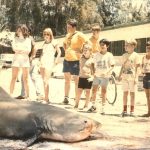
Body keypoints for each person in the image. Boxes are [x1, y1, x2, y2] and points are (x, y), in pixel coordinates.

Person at [62, 19, 88, 104]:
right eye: (67, 26)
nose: (67, 28)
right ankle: (66, 98)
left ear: (73, 27)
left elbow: (88, 43)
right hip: (66, 60)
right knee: (67, 80)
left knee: (76, 80)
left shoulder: (79, 34)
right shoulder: (67, 35)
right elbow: (64, 44)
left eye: (68, 27)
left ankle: (77, 99)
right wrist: (67, 51)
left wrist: (82, 52)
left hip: (76, 60)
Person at [88, 39, 115, 114]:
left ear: (107, 46)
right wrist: (93, 72)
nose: (101, 46)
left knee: (103, 91)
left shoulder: (109, 55)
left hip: (105, 77)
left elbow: (112, 66)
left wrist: (107, 72)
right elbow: (92, 64)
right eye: (100, 45)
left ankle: (103, 107)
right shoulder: (96, 55)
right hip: (97, 76)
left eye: (103, 45)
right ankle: (93, 106)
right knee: (94, 90)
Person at [16, 27, 43, 100]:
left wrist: (32, 57)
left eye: (20, 31)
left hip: (30, 61)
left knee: (24, 77)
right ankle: (39, 94)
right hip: (29, 60)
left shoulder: (29, 38)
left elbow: (35, 48)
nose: (18, 32)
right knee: (33, 77)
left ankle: (24, 94)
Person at [118, 39, 140, 117]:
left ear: (133, 46)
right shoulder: (124, 55)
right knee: (125, 93)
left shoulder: (136, 55)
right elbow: (122, 66)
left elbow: (138, 67)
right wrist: (119, 75)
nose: (125, 46)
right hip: (125, 77)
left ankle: (132, 111)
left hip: (132, 78)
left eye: (127, 45)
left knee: (132, 94)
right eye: (125, 45)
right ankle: (124, 110)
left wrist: (136, 77)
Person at [10, 24, 31, 99]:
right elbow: (14, 49)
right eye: (17, 30)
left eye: (20, 30)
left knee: (26, 78)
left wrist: (19, 50)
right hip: (16, 60)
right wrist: (22, 50)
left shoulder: (28, 40)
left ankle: (27, 96)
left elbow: (28, 50)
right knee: (14, 77)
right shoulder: (15, 39)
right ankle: (11, 94)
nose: (18, 32)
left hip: (25, 61)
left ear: (24, 30)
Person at [40, 28, 61, 103]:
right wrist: (39, 62)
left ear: (50, 35)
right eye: (45, 34)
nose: (46, 36)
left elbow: (59, 52)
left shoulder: (54, 42)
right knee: (43, 81)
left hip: (49, 63)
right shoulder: (44, 43)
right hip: (42, 63)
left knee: (46, 80)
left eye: (48, 34)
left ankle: (46, 99)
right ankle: (46, 97)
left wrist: (56, 60)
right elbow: (42, 54)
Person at [74, 43, 94, 110]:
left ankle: (86, 105)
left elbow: (93, 70)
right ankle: (76, 104)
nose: (85, 51)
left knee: (88, 92)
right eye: (84, 49)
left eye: (87, 50)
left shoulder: (92, 60)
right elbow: (77, 52)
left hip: (88, 78)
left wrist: (92, 77)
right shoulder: (81, 58)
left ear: (90, 51)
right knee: (79, 91)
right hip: (81, 77)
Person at [141, 41, 150, 117]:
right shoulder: (143, 57)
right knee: (147, 96)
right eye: (147, 47)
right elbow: (142, 66)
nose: (148, 48)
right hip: (145, 77)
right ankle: (149, 112)